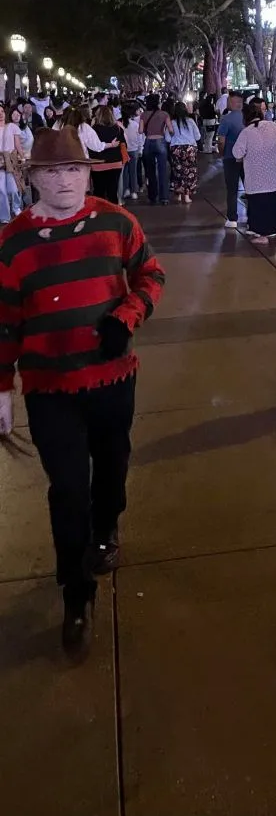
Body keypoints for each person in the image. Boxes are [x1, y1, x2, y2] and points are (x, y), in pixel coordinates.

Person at [0, 127, 165, 658]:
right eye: (52, 172)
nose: (64, 181)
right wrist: (2, 389)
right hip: (49, 390)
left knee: (111, 468)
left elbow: (151, 275)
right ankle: (76, 593)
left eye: (73, 169)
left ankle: (107, 526)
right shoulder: (12, 242)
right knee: (68, 490)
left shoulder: (117, 222)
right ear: (33, 179)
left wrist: (127, 315)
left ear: (87, 174)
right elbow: (4, 322)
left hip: (113, 380)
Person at [232, 101, 276, 245]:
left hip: (256, 180)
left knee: (260, 208)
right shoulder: (272, 126)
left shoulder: (246, 132)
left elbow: (236, 153)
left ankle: (263, 235)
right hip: (274, 177)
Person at [217, 91, 247, 228]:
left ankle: (232, 218)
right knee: (250, 188)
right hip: (247, 158)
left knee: (232, 189)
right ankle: (253, 217)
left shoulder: (226, 120)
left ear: (232, 102)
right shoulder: (247, 118)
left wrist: (222, 153)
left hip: (230, 157)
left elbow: (221, 141)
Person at [139, 94, 173, 205]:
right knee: (163, 170)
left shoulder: (143, 114)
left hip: (148, 142)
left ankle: (152, 197)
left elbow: (140, 131)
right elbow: (171, 130)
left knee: (150, 171)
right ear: (158, 102)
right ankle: (164, 198)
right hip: (160, 142)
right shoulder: (164, 114)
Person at [91, 105, 126, 204]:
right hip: (115, 163)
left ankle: (100, 211)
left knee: (99, 191)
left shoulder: (94, 129)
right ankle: (112, 211)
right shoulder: (118, 129)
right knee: (112, 191)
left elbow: (91, 146)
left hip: (98, 164)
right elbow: (124, 144)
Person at [167, 101, 201, 203]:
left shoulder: (172, 122)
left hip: (176, 149)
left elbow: (167, 138)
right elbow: (198, 136)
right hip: (190, 149)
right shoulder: (190, 121)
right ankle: (187, 196)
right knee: (190, 172)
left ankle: (178, 195)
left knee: (178, 172)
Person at [0, 104, 25, 223]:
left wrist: (22, 157)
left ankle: (16, 208)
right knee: (1, 190)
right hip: (0, 161)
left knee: (14, 189)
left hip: (10, 160)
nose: (0, 114)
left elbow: (18, 144)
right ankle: (4, 216)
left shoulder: (12, 127)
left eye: (2, 111)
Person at [122, 101, 144, 200]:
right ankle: (134, 191)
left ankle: (126, 189)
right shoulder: (135, 124)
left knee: (125, 171)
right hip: (134, 150)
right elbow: (140, 138)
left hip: (124, 150)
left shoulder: (121, 124)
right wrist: (140, 149)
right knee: (133, 171)